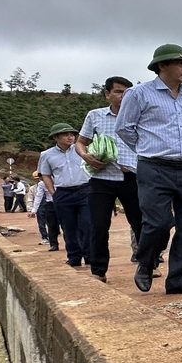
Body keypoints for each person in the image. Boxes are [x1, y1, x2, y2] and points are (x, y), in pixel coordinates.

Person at [117, 44, 182, 294]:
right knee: (158, 222)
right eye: (180, 63)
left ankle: (178, 278)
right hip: (154, 167)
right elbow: (124, 128)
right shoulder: (139, 94)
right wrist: (148, 148)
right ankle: (146, 262)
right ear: (161, 65)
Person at [76, 76, 146, 282]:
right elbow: (81, 142)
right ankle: (98, 271)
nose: (123, 96)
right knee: (98, 225)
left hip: (131, 177)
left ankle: (147, 264)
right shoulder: (95, 116)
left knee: (141, 223)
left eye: (127, 92)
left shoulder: (140, 117)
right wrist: (85, 155)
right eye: (118, 91)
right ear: (107, 94)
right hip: (101, 179)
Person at [37, 123, 92, 267]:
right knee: (68, 227)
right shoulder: (46, 155)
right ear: (56, 137)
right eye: (66, 135)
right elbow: (46, 175)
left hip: (85, 190)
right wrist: (53, 194)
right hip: (63, 193)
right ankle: (74, 257)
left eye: (72, 134)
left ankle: (90, 256)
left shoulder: (82, 149)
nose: (70, 137)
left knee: (87, 224)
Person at [28, 171, 60, 250]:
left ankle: (71, 245)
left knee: (66, 225)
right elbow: (38, 196)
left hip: (62, 204)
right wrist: (33, 210)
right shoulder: (42, 184)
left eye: (41, 178)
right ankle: (53, 244)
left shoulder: (58, 179)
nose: (40, 179)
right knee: (51, 225)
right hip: (50, 204)